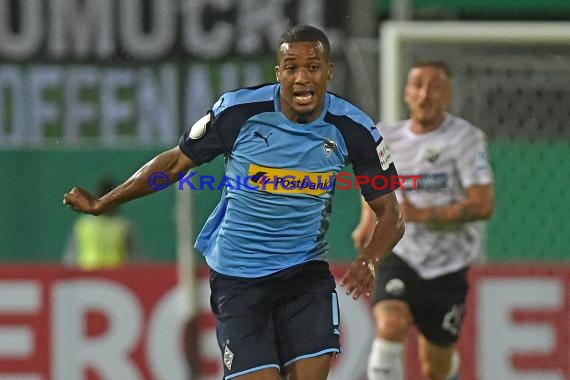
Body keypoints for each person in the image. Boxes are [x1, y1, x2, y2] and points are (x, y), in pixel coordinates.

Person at [63, 25, 404, 380]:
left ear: (329, 71)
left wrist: (369, 259)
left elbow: (391, 215)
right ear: (278, 73)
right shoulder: (239, 112)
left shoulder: (354, 129)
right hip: (239, 278)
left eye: (313, 67)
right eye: (291, 68)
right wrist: (105, 201)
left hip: (305, 274)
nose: (302, 78)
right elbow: (175, 163)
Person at [352, 60, 495, 380]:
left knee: (436, 367)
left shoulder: (466, 139)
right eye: (418, 85)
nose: (425, 93)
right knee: (390, 326)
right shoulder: (384, 136)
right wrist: (366, 221)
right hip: (399, 254)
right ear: (406, 93)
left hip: (447, 264)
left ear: (449, 94)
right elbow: (372, 185)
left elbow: (483, 205)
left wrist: (423, 214)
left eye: (435, 86)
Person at [63, 178, 141, 270]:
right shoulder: (123, 225)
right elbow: (135, 257)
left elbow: (71, 256)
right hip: (115, 276)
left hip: (89, 275)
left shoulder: (84, 224)